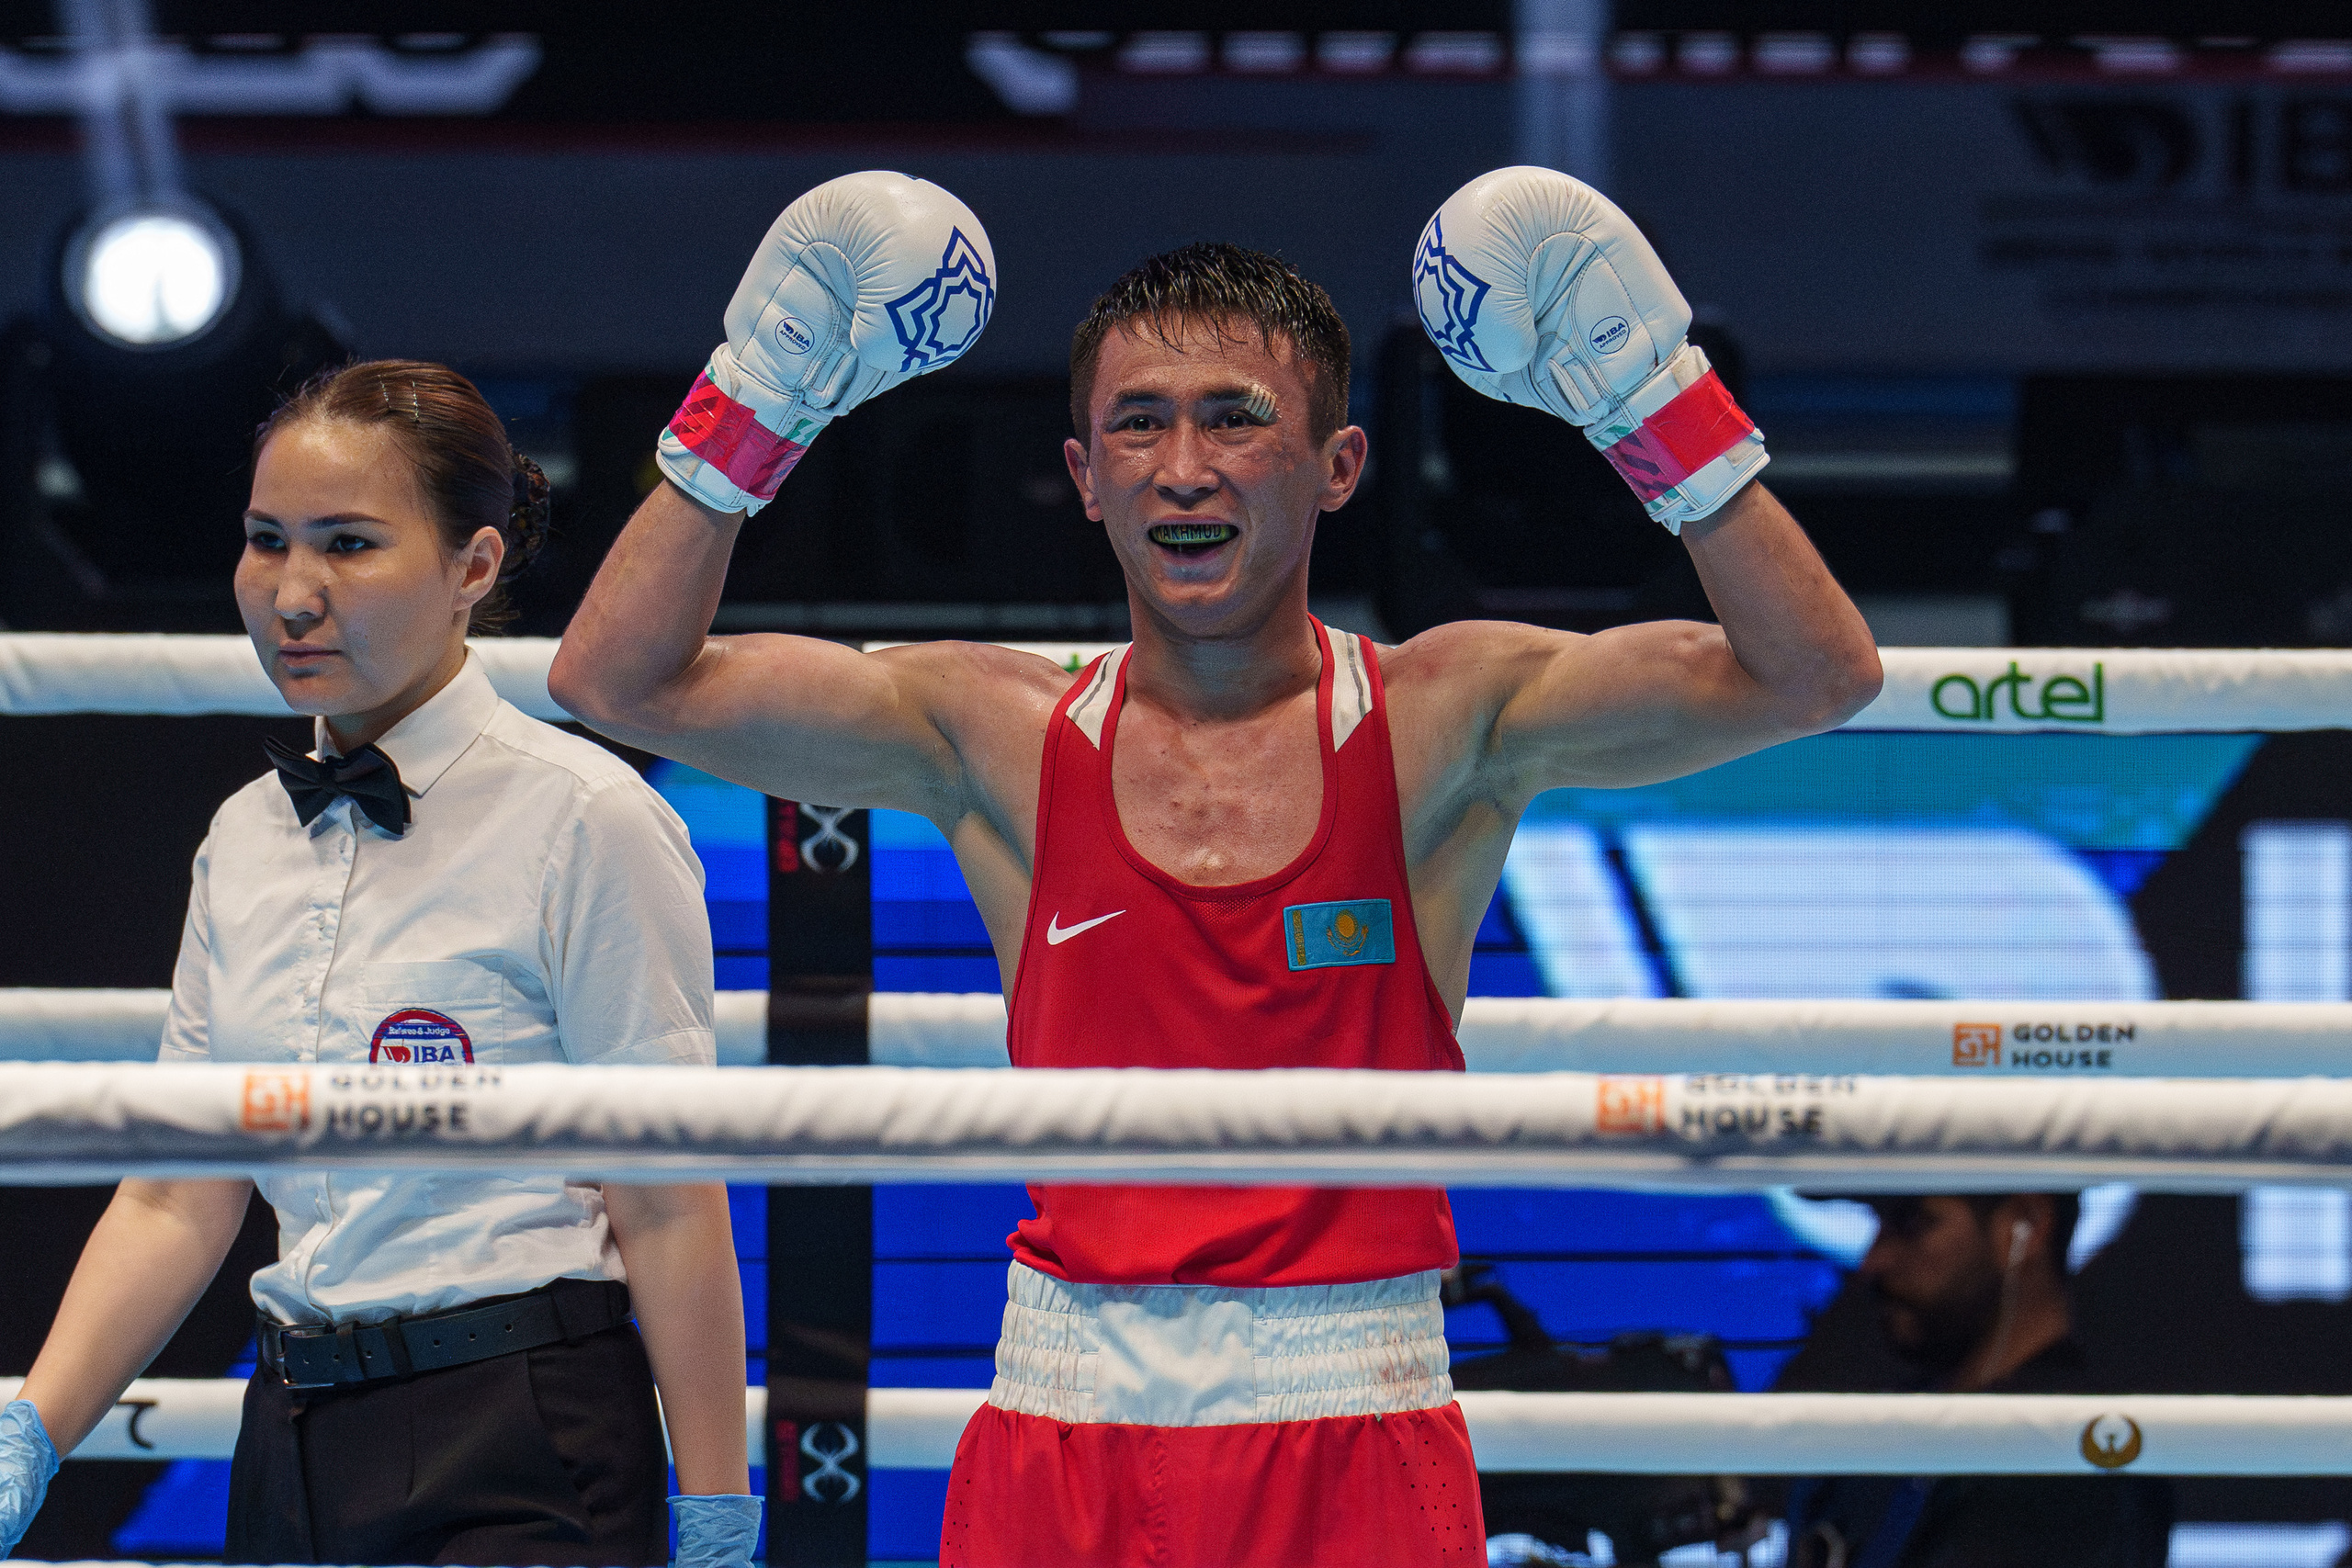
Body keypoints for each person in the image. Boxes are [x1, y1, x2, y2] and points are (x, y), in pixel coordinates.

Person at [548, 166, 1883, 1566]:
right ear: (1085, 477)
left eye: (1236, 417)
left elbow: (1815, 672)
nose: (1183, 466)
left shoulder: (1445, 718)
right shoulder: (994, 730)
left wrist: (1653, 407)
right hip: (1064, 1424)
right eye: (1139, 422)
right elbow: (616, 677)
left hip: (1355, 1418)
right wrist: (758, 403)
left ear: (1339, 467)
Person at [0, 361, 758, 1568]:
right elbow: (180, 1190)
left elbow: (665, 1197)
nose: (293, 593)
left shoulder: (587, 817)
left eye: (348, 543)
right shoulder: (244, 837)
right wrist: (31, 1430)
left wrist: (719, 1507)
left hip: (524, 1428)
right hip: (290, 1430)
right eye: (268, 540)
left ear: (474, 566)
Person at [1776, 1194, 2173, 1568]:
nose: (1874, 1261)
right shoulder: (1868, 1438)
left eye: (1913, 1224)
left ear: (2026, 1223)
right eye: (1877, 1225)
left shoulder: (2090, 1454)